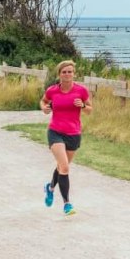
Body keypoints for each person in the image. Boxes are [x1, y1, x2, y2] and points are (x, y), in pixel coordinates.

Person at [39, 60, 91, 214]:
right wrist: (44, 108)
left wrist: (82, 105)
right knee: (65, 167)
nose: (67, 74)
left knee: (62, 166)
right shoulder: (52, 90)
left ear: (74, 74)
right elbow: (43, 101)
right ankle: (67, 204)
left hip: (73, 134)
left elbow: (89, 109)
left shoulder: (81, 91)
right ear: (59, 74)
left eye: (70, 71)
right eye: (64, 72)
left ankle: (50, 187)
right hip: (55, 132)